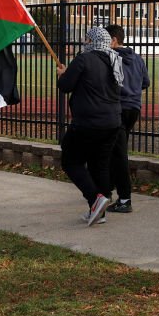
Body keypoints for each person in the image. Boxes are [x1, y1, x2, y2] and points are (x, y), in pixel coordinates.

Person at [56, 26, 123, 226]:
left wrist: (62, 75)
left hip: (88, 122)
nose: (84, 42)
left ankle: (94, 199)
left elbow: (65, 86)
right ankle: (99, 213)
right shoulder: (114, 60)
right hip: (112, 122)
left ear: (93, 41)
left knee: (70, 161)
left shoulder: (83, 59)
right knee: (99, 165)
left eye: (87, 39)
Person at [103, 24, 150, 214]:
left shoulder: (110, 58)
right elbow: (145, 82)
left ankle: (124, 198)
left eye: (106, 40)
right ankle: (106, 190)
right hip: (133, 108)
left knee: (118, 155)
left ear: (114, 40)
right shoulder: (137, 58)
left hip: (118, 109)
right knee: (114, 150)